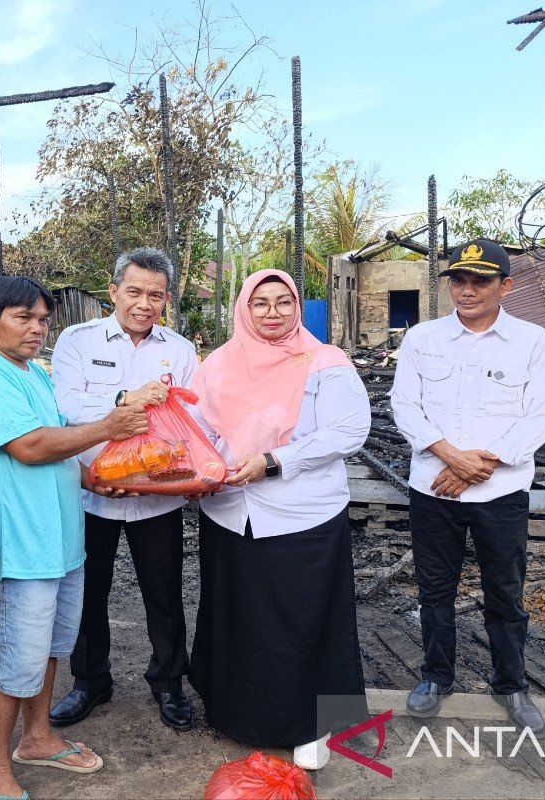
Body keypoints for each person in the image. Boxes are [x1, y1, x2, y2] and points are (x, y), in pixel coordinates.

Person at [0, 275, 148, 800]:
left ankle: (37, 738)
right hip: (20, 543)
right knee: (16, 657)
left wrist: (97, 478)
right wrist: (111, 427)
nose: (38, 329)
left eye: (43, 319)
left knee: (52, 647)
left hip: (61, 537)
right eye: (25, 318)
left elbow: (59, 441)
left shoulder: (33, 373)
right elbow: (31, 446)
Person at [188, 268, 372, 770]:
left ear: (297, 307)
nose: (272, 313)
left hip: (301, 513)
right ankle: (236, 713)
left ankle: (313, 726)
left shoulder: (325, 362)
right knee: (241, 616)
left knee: (306, 619)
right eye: (260, 303)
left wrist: (274, 461)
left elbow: (349, 429)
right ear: (244, 308)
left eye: (283, 302)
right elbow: (197, 426)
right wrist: (198, 463)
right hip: (229, 511)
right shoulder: (219, 363)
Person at [390, 239, 545, 735]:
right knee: (435, 590)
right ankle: (437, 678)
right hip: (433, 489)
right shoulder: (423, 339)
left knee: (505, 592)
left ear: (505, 286)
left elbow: (540, 414)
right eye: (459, 280)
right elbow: (406, 407)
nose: (467, 290)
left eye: (481, 281)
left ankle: (510, 684)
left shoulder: (532, 341)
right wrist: (450, 456)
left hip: (500, 493)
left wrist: (481, 463)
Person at [48, 247, 199, 731]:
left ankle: (169, 683)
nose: (144, 303)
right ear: (113, 291)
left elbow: (190, 421)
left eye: (155, 295)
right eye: (134, 291)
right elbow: (66, 403)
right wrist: (123, 400)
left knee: (164, 591)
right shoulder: (77, 339)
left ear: (166, 299)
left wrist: (163, 473)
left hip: (157, 494)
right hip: (91, 490)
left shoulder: (179, 349)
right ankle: (90, 681)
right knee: (87, 592)